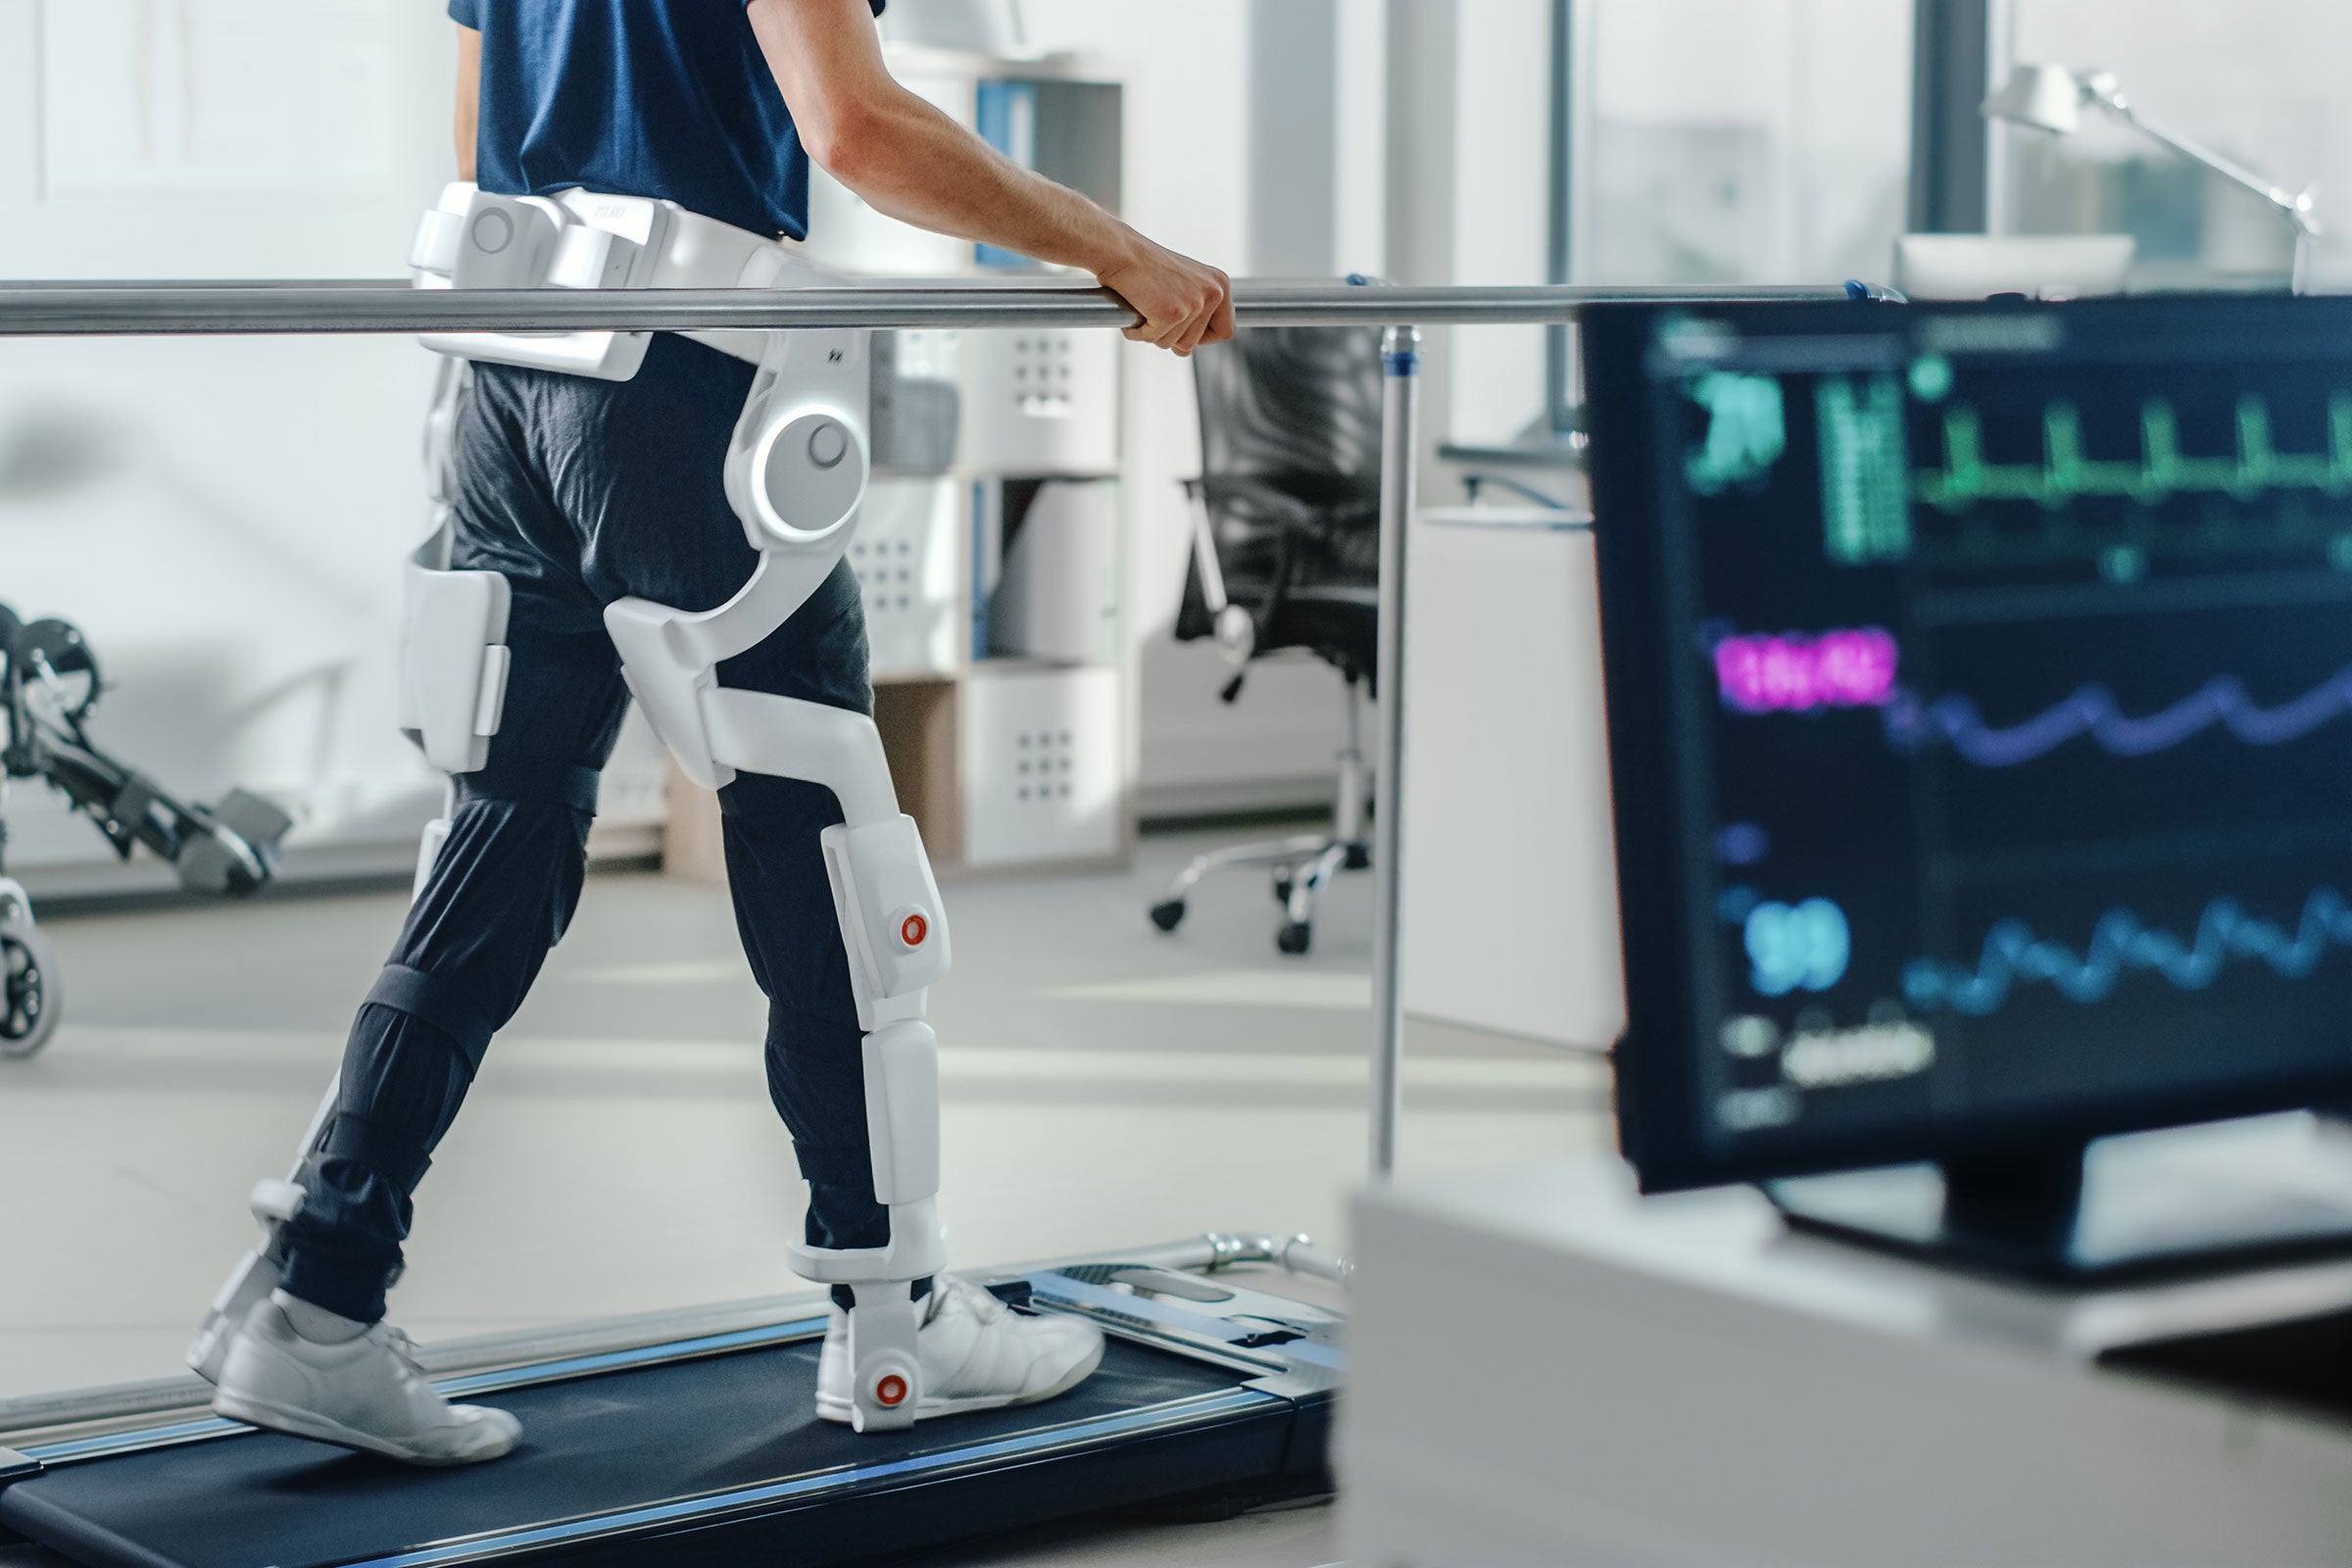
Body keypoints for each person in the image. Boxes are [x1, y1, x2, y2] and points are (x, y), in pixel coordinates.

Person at [203, 0, 1234, 1467]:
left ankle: (316, 1300)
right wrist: (1115, 248)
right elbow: (855, 127)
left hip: (510, 372)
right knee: (825, 835)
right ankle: (897, 1316)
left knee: (502, 836)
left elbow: (477, 129)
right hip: (686, 384)